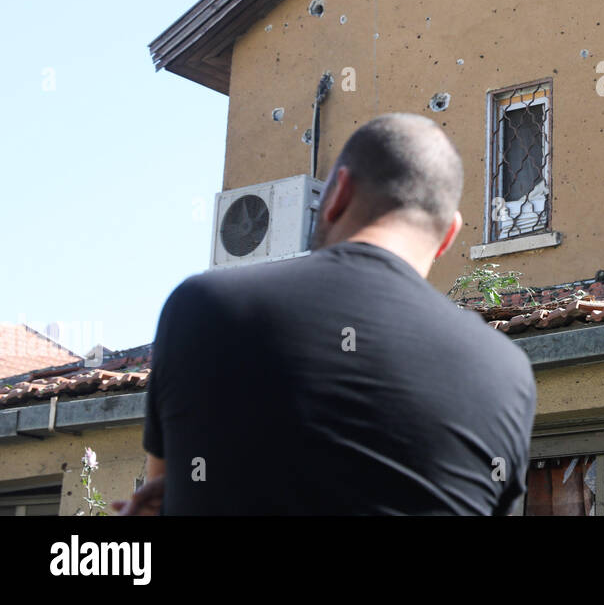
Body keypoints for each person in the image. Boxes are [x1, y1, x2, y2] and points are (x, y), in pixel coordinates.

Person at [114, 113, 536, 515]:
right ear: (447, 236)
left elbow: (162, 491)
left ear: (337, 195)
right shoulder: (507, 372)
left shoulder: (205, 307)